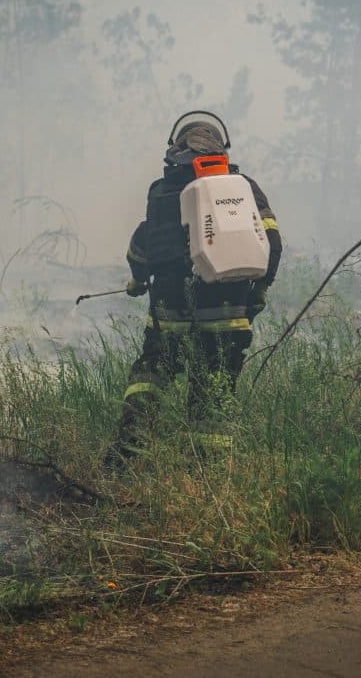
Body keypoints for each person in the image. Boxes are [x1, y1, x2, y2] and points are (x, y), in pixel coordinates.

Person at [108, 112, 282, 467]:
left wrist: (138, 280)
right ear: (221, 147)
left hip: (169, 310)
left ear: (177, 146)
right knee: (214, 386)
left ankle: (129, 455)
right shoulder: (243, 187)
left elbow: (142, 245)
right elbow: (273, 244)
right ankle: (207, 470)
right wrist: (259, 291)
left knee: (150, 376)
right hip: (227, 311)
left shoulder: (162, 190)